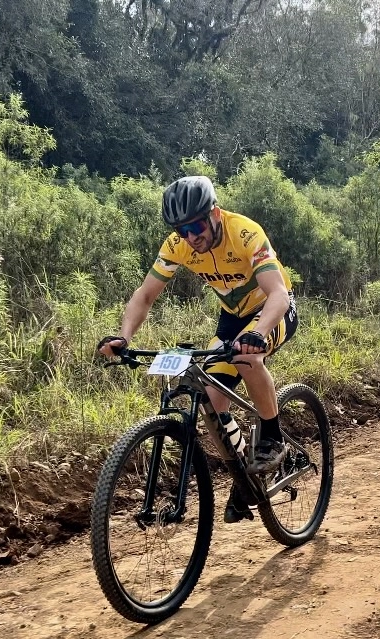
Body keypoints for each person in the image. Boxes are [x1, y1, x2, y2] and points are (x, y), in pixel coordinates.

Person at [98, 176, 298, 524]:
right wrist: (124, 337)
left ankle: (272, 436)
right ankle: (246, 475)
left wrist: (259, 333)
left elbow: (278, 294)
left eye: (195, 225)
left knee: (248, 357)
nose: (191, 236)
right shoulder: (179, 244)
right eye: (182, 229)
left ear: (215, 213)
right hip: (233, 319)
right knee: (213, 398)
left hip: (273, 309)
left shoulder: (246, 233)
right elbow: (145, 295)